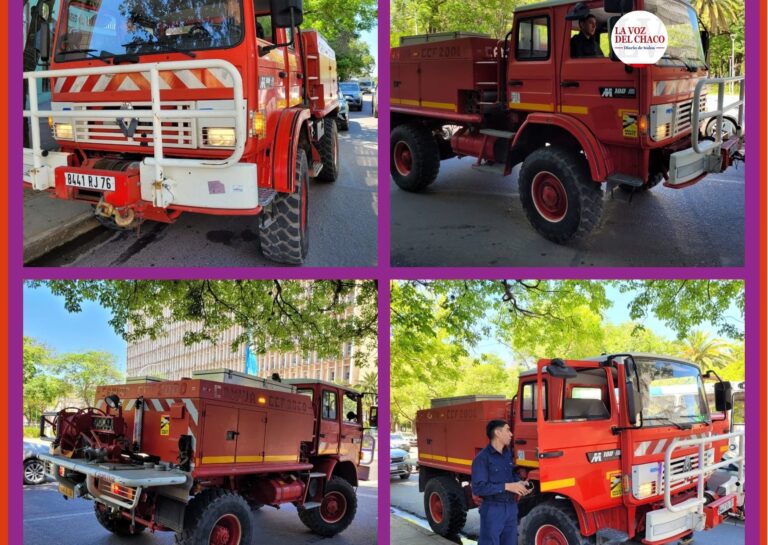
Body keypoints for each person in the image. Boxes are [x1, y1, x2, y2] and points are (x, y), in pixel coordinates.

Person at [471, 420, 531, 545]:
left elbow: (511, 475)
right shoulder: (482, 458)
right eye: (507, 430)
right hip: (493, 509)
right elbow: (479, 488)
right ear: (498, 433)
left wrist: (519, 483)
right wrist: (508, 486)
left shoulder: (507, 454)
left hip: (511, 508)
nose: (511, 434)